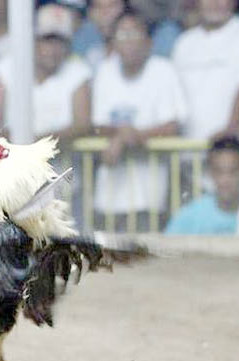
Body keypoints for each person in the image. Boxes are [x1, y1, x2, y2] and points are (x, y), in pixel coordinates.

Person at [92, 12, 187, 231]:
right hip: (108, 194)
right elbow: (96, 124)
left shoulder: (163, 70)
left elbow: (173, 124)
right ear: (113, 41)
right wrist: (123, 134)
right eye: (122, 34)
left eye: (134, 33)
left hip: (150, 195)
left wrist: (128, 137)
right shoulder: (105, 70)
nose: (129, 41)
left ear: (149, 41)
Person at [0, 3, 92, 144]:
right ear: (34, 40)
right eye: (47, 40)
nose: (54, 49)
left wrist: (36, 144)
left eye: (60, 41)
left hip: (63, 165)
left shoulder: (78, 71)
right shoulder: (9, 66)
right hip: (16, 162)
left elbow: (82, 125)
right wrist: (24, 147)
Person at [172, 0, 239, 141]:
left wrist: (229, 131)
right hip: (186, 150)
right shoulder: (183, 43)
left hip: (231, 152)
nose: (214, 3)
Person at [166, 136, 239, 234]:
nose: (225, 180)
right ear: (210, 172)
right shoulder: (189, 217)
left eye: (232, 171)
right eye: (219, 171)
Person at [72, 0, 125, 70]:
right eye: (97, 7)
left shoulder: (137, 38)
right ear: (89, 12)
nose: (105, 13)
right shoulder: (78, 38)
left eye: (111, 6)